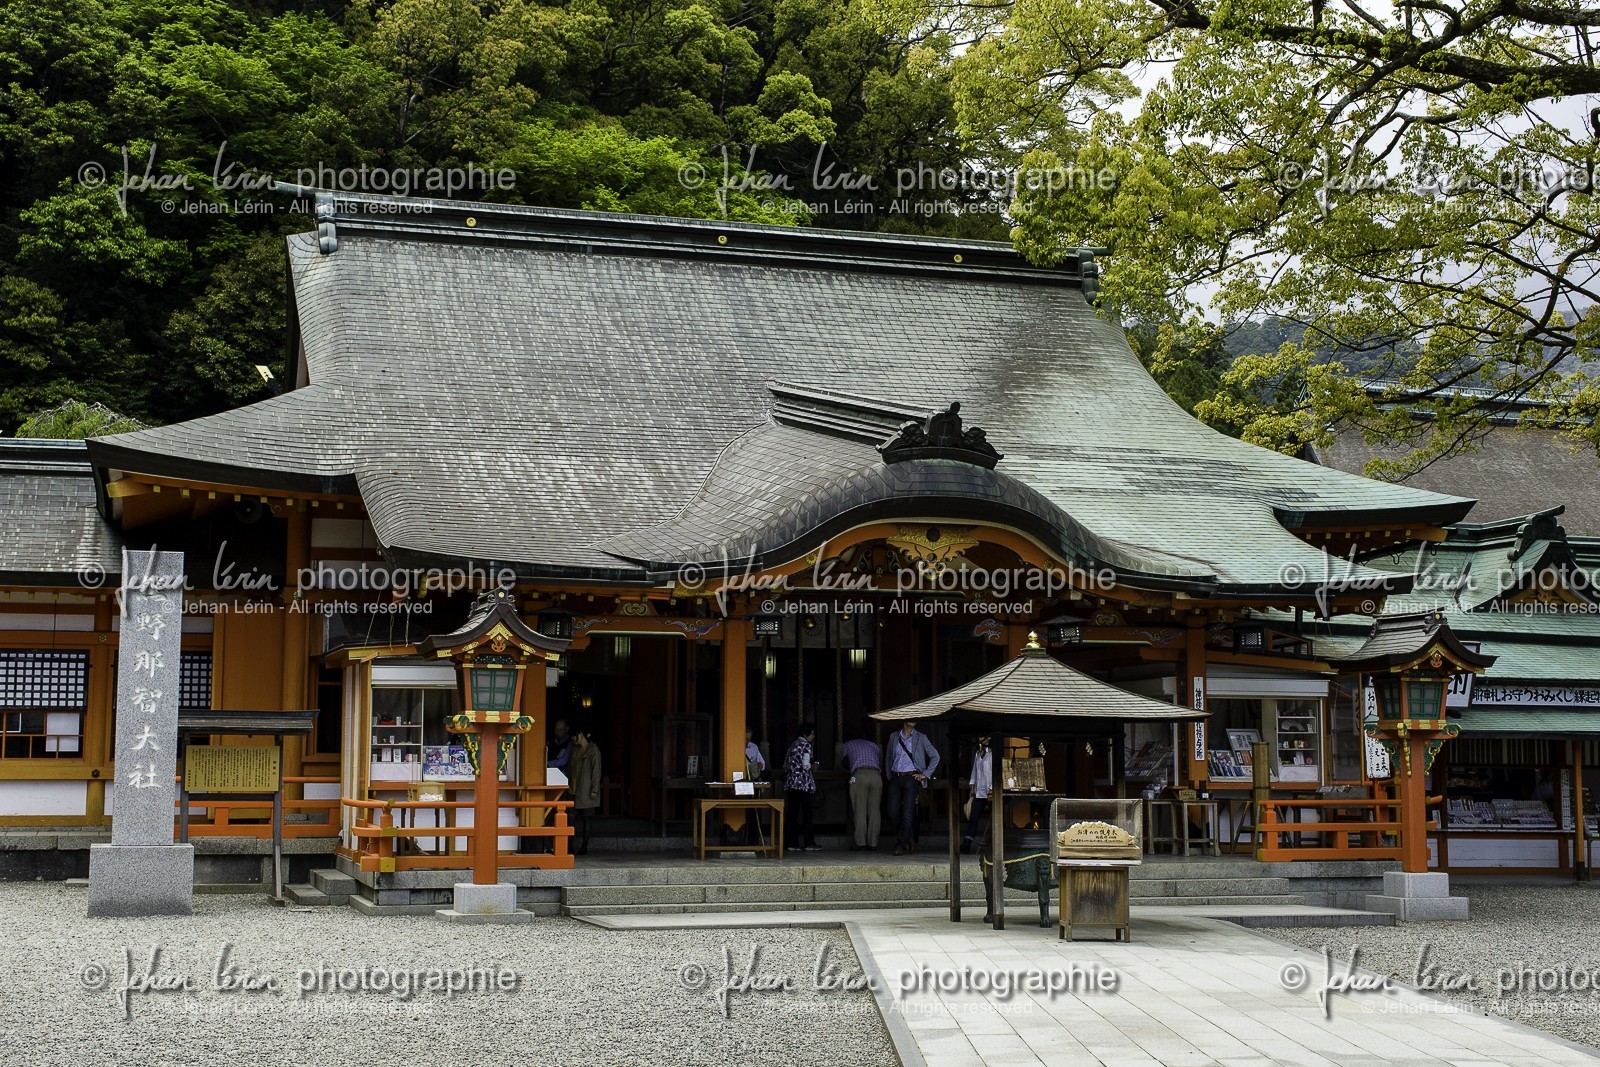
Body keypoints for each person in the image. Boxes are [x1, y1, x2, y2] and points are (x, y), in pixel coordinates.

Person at [883, 720, 939, 855]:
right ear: (903, 720)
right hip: (896, 777)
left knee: (908, 813)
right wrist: (890, 776)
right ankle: (909, 837)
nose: (913, 720)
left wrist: (925, 774)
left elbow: (935, 756)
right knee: (892, 812)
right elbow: (888, 757)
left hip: (911, 778)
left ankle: (900, 844)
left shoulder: (921, 737)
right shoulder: (894, 736)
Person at [841, 735, 884, 851]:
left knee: (860, 810)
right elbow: (880, 762)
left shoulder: (847, 744)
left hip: (859, 775)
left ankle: (860, 842)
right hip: (876, 776)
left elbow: (841, 762)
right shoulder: (874, 745)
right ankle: (873, 843)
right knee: (875, 811)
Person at [783, 722, 821, 851]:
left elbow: (785, 766)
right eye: (812, 734)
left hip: (791, 783)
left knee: (792, 813)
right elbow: (805, 765)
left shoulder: (792, 745)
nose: (813, 736)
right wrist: (814, 764)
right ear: (806, 734)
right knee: (807, 814)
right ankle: (808, 842)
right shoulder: (806, 746)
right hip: (803, 783)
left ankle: (791, 843)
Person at [569, 728, 601, 855]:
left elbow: (596, 771)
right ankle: (569, 846)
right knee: (570, 817)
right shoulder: (575, 750)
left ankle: (584, 846)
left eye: (573, 736)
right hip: (573, 788)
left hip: (587, 790)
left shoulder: (593, 751)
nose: (572, 739)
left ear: (580, 734)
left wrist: (594, 789)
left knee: (586, 818)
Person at [961, 736, 992, 853]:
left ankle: (993, 843)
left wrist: (992, 790)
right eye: (979, 737)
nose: (981, 739)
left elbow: (995, 772)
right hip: (979, 791)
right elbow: (974, 770)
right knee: (973, 816)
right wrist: (972, 786)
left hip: (990, 791)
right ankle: (967, 842)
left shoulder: (993, 754)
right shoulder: (978, 753)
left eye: (983, 737)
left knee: (993, 818)